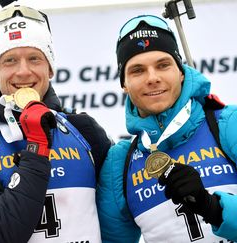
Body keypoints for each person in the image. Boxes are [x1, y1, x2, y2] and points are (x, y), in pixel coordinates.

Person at [0, 3, 112, 243]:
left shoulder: (84, 131)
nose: (23, 72)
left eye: (34, 58)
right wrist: (36, 147)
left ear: (50, 68)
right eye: (10, 60)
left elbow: (117, 219)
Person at [97, 15, 237, 242]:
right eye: (137, 70)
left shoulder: (227, 123)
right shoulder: (119, 163)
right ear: (124, 83)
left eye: (163, 65)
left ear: (181, 72)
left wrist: (213, 208)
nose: (152, 78)